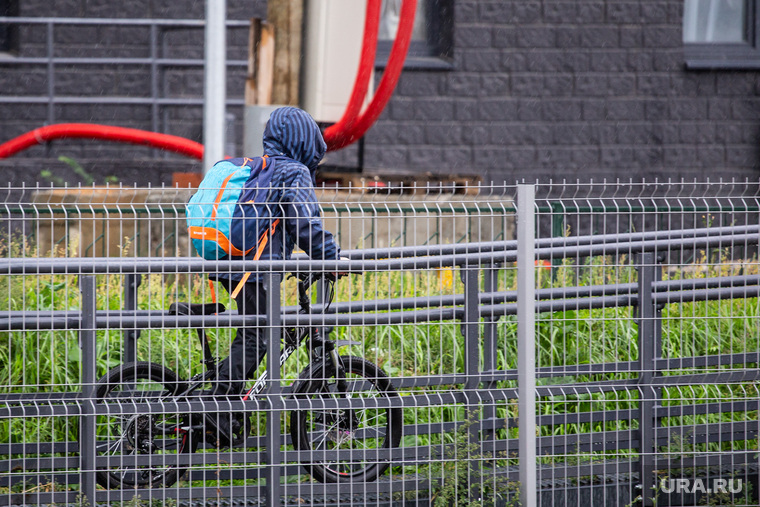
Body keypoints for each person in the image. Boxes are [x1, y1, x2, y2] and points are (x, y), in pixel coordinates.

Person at [206, 106, 340, 446]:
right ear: (305, 142)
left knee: (258, 330)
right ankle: (215, 409)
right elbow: (304, 226)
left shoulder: (259, 168)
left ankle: (224, 406)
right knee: (259, 337)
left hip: (228, 260)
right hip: (254, 268)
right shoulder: (294, 172)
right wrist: (333, 258)